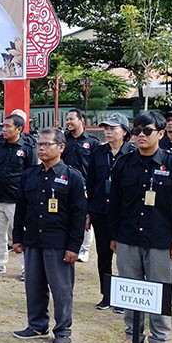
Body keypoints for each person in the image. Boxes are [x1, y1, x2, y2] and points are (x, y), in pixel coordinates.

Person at [107, 111, 172, 343]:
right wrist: (114, 236)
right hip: (128, 236)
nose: (141, 136)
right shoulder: (123, 163)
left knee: (160, 290)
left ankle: (160, 341)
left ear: (161, 134)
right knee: (130, 290)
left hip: (160, 239)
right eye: (137, 131)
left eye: (147, 131)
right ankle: (132, 337)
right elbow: (115, 203)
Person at [12, 127, 88, 343]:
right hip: (34, 240)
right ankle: (37, 325)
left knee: (61, 290)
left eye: (47, 144)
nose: (42, 148)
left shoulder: (72, 177)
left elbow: (78, 215)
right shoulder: (29, 175)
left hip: (59, 244)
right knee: (33, 286)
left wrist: (74, 247)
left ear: (61, 147)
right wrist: (18, 238)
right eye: (39, 145)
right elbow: (21, 210)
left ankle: (63, 330)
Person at [84, 113, 134, 311]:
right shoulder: (98, 152)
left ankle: (124, 297)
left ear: (124, 131)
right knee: (103, 255)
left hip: (124, 213)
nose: (108, 132)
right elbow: (91, 181)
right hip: (100, 210)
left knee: (125, 257)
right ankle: (107, 295)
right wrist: (89, 210)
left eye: (113, 128)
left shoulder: (132, 153)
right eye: (106, 128)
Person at [0, 114, 37, 276]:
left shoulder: (27, 148)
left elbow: (33, 175)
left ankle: (27, 268)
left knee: (20, 234)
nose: (3, 129)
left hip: (17, 200)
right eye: (3, 126)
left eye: (8, 126)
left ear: (19, 129)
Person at [62, 108, 101, 262]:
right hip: (65, 183)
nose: (68, 122)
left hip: (85, 185)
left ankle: (84, 248)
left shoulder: (92, 142)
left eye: (71, 119)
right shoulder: (63, 140)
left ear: (81, 120)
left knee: (84, 216)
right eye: (67, 119)